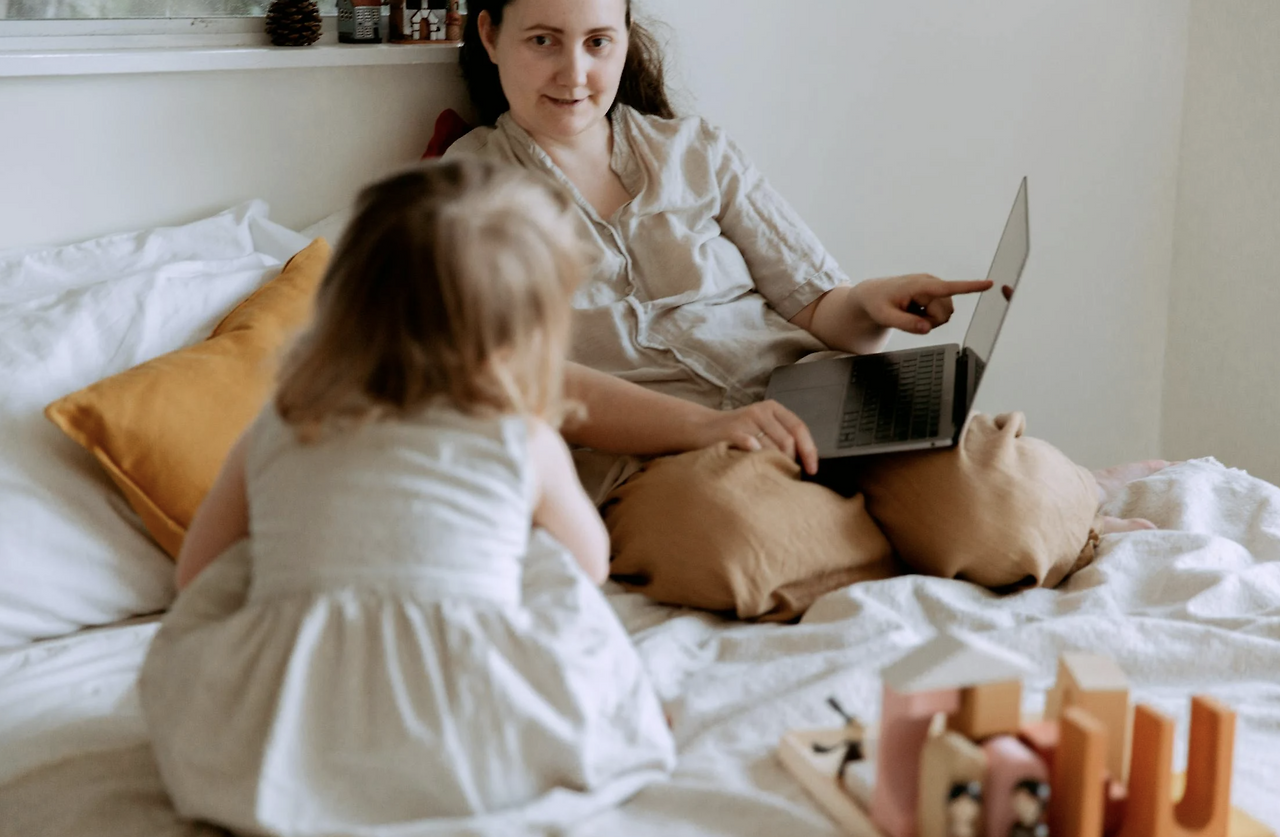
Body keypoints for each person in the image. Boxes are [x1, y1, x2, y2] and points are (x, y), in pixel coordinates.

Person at [449, 0, 1168, 618]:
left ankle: (1041, 505)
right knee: (736, 542)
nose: (575, 72)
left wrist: (871, 302)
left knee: (1008, 506)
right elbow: (526, 381)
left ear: (625, 38)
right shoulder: (462, 194)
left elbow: (822, 307)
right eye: (543, 40)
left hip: (817, 406)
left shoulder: (695, 150)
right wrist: (712, 426)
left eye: (598, 41)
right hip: (665, 459)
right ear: (490, 36)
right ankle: (933, 534)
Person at [137, 158, 676, 836]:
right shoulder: (521, 437)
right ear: (526, 334)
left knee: (252, 561)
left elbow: (196, 574)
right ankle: (608, 714)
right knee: (544, 561)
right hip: (474, 737)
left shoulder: (281, 423)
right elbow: (589, 566)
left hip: (278, 745)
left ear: (346, 304)